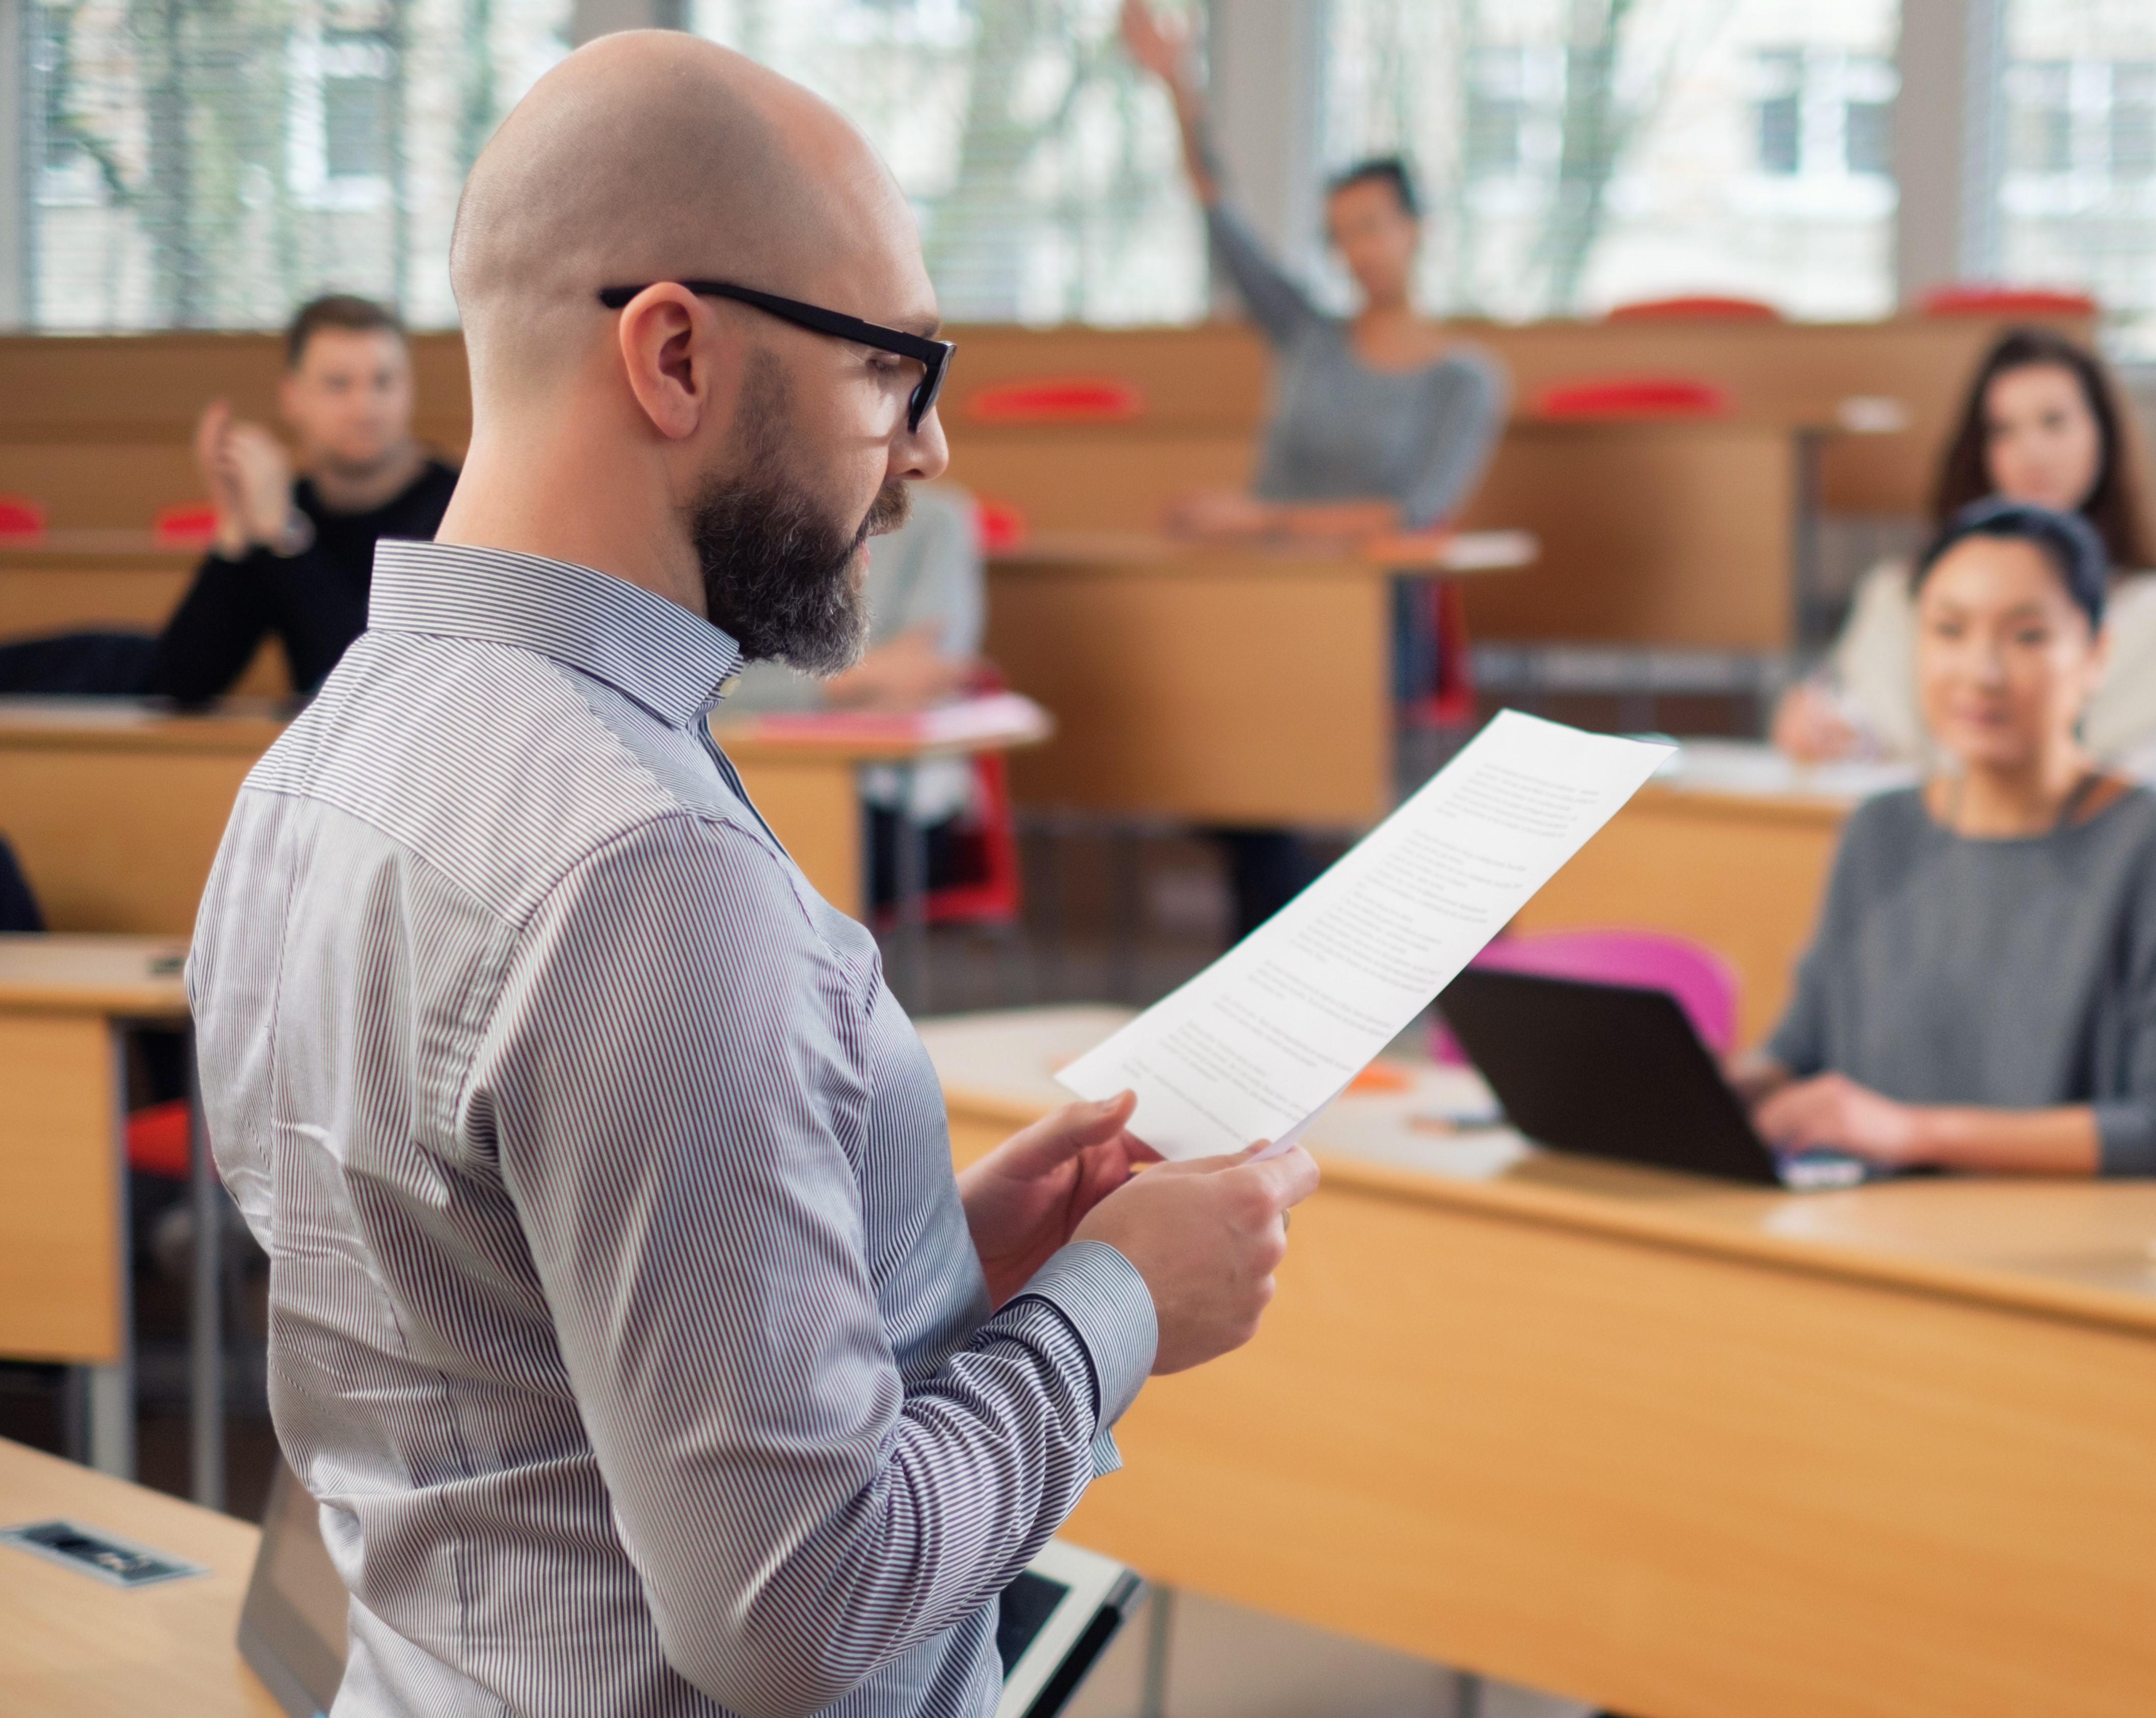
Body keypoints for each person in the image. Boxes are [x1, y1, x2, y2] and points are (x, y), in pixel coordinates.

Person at [187, 33, 1318, 1717]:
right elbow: (799, 1611)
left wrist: (933, 1259)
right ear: (673, 355)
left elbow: (522, 1368)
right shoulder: (641, 865)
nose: (925, 451)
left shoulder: (313, 768)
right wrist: (1115, 1305)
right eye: (891, 370)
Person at [1730, 501, 2156, 1183]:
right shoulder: (1878, 829)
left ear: (2096, 655)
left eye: (2026, 636)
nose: (1980, 671)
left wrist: (1913, 1132)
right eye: (1947, 630)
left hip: (2090, 1243)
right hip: (1902, 1234)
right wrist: (1726, 1084)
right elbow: (1798, 1048)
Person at [1123, 0, 1508, 933]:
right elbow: (1225, 220)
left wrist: (1253, 521)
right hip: (1256, 604)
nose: (1356, 250)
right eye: (1341, 234)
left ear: (1416, 229)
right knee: (1198, 759)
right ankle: (1278, 947)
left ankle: (1280, 946)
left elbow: (1407, 516)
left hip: (1371, 623)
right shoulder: (1308, 336)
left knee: (1266, 783)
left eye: (1374, 226)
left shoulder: (1464, 378)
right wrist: (1181, 86)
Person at [1771, 325, 2156, 778]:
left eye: (2053, 422)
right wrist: (1829, 733)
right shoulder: (1901, 595)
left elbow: (2142, 772)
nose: (2031, 451)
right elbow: (1866, 732)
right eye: (2003, 430)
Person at [148, 293, 461, 702]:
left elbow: (369, 686)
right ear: (292, 397)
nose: (365, 406)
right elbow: (179, 683)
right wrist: (235, 527)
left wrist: (286, 534)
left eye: (384, 381)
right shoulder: (282, 508)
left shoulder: (457, 509)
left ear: (410, 391)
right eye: (338, 384)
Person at [725, 480, 994, 909]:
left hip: (892, 801)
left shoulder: (937, 523)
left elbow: (927, 674)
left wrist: (784, 688)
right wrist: (851, 684)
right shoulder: (755, 523)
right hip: (752, 786)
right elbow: (720, 685)